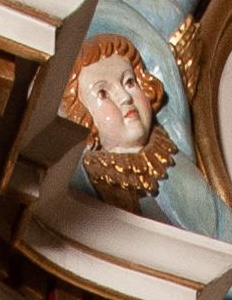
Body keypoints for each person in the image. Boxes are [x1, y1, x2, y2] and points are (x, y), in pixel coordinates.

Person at [59, 33, 174, 204]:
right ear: (83, 115)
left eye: (129, 83)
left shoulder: (171, 159)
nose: (125, 98)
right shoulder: (84, 181)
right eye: (103, 93)